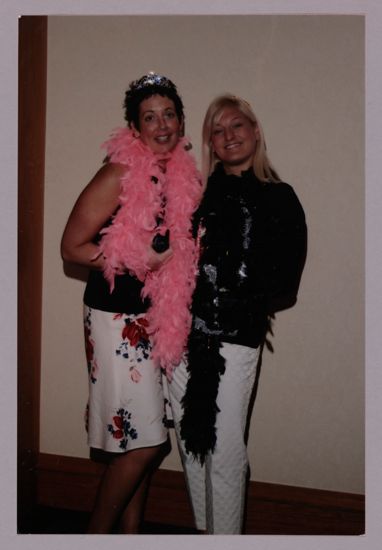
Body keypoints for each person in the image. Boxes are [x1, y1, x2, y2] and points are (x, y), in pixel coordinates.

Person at [60, 72, 202, 534]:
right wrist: (138, 259)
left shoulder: (180, 176)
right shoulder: (118, 173)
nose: (161, 125)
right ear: (134, 128)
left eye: (168, 115)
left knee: (146, 438)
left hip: (154, 319)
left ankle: (131, 539)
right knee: (140, 443)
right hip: (115, 319)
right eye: (149, 117)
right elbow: (71, 247)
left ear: (180, 122)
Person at [166, 94, 307, 534]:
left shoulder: (279, 198)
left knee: (225, 453)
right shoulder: (198, 196)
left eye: (236, 126)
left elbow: (286, 283)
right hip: (182, 337)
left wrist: (236, 300)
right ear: (210, 142)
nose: (228, 136)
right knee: (192, 448)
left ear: (255, 130)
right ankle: (205, 535)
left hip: (234, 340)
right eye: (218, 131)